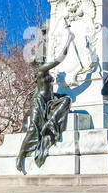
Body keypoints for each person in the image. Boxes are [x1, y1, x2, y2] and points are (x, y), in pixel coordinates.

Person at [16, 25, 75, 174]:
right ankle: (21, 155)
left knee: (66, 100)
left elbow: (45, 48)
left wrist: (45, 35)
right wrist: (69, 40)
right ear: (38, 63)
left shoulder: (43, 69)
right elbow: (59, 59)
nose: (43, 59)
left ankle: (50, 124)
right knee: (33, 129)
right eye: (41, 59)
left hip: (50, 101)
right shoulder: (42, 70)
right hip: (40, 101)